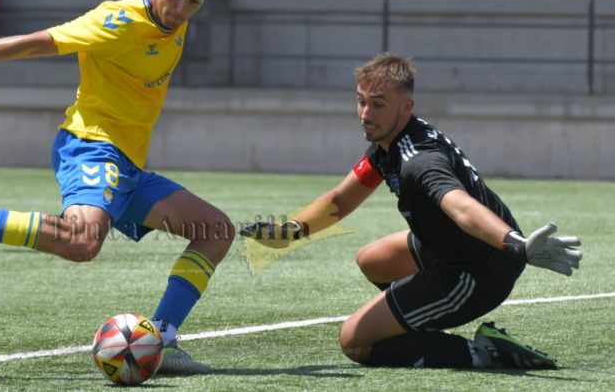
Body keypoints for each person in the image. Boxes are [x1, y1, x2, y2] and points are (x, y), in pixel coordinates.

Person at [0, 0, 325, 374]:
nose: (181, 10)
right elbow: (35, 42)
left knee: (214, 230)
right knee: (82, 242)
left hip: (127, 161)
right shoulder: (116, 21)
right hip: (90, 144)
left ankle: (162, 341)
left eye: (194, 2)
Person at [242, 53, 582, 369]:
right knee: (371, 259)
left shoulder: (418, 161)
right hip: (446, 247)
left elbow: (461, 207)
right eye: (361, 101)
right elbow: (340, 200)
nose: (365, 114)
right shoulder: (389, 143)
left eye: (377, 105)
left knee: (355, 342)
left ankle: (486, 353)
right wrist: (289, 232)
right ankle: (414, 318)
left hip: (476, 270)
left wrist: (515, 244)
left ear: (406, 107)